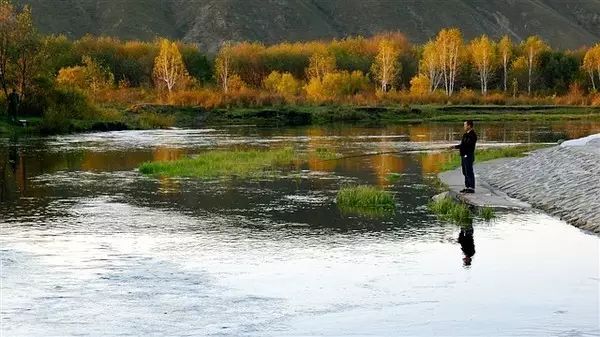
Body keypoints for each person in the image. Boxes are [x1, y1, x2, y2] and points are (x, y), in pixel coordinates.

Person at [452, 120, 477, 193]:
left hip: (468, 155)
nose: (464, 127)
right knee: (465, 171)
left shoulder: (472, 135)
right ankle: (467, 186)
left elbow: (467, 145)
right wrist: (455, 147)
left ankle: (471, 187)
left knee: (469, 171)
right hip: (463, 155)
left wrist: (457, 147)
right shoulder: (465, 134)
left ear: (469, 126)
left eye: (465, 125)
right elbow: (463, 144)